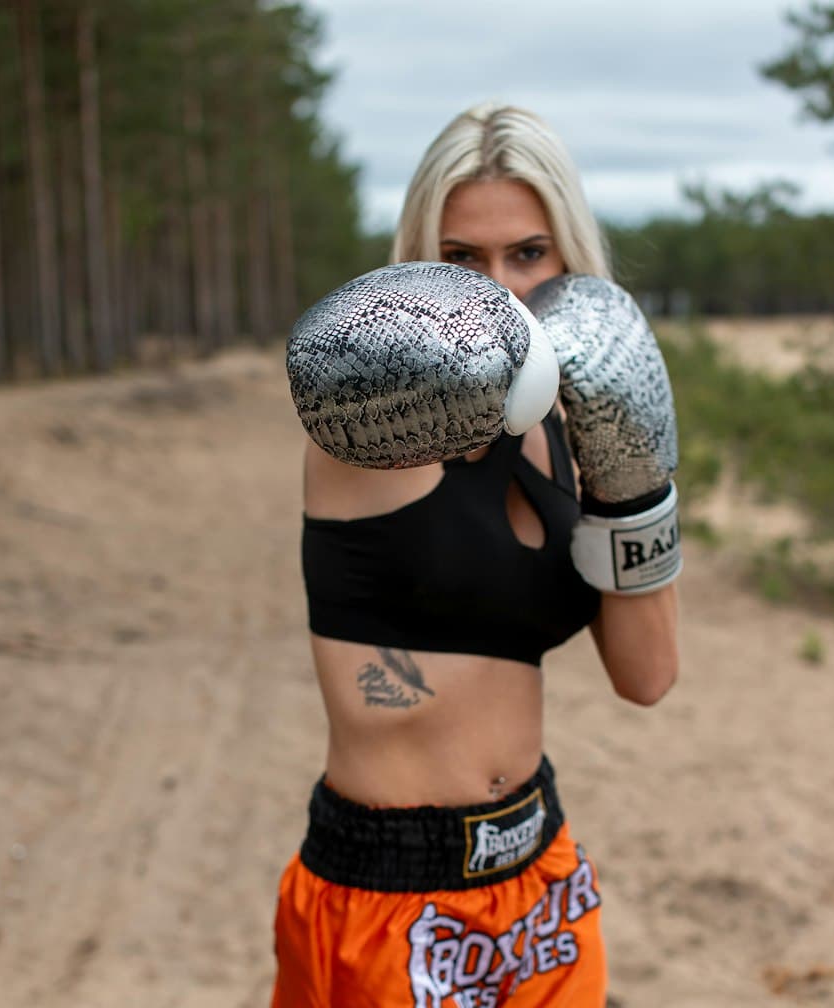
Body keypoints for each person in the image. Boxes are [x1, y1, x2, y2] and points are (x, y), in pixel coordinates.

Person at [271, 102, 681, 1007]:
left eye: (528, 254)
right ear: (418, 262)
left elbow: (648, 676)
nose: (501, 290)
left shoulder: (570, 426)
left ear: (570, 260)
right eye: (462, 260)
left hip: (539, 871)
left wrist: (632, 477)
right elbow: (327, 362)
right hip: (391, 901)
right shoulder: (376, 424)